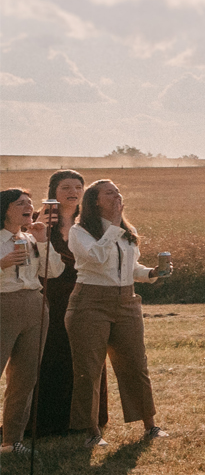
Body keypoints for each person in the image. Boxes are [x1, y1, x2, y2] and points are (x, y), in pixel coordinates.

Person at [63, 177, 167, 446]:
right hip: (90, 302)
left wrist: (152, 273)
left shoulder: (127, 232)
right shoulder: (79, 232)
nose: (116, 196)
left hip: (126, 300)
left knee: (135, 364)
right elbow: (95, 258)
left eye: (118, 192)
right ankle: (91, 432)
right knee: (89, 369)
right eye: (109, 193)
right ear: (94, 202)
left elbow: (131, 268)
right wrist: (114, 228)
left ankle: (150, 425)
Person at [28, 168, 100, 439]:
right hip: (50, 296)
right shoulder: (39, 221)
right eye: (65, 188)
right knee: (50, 353)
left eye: (78, 188)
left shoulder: (91, 223)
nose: (73, 193)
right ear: (53, 193)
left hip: (85, 294)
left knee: (83, 355)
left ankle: (84, 419)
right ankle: (47, 419)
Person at [1, 190, 49, 457]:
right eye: (20, 203)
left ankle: (12, 441)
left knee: (25, 377)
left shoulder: (31, 239)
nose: (29, 207)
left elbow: (53, 272)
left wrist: (42, 243)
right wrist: (1, 264)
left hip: (34, 305)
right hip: (2, 304)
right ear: (5, 210)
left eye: (30, 203)